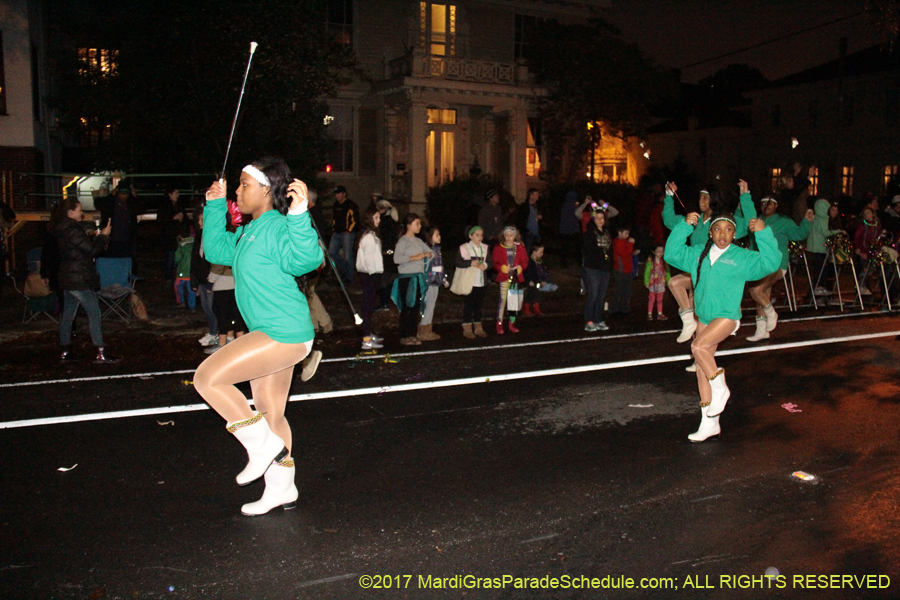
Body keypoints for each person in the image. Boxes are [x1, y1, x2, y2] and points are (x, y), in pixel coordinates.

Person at [194, 157, 323, 516]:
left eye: (244, 186)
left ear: (267, 189)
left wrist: (300, 216)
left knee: (207, 378)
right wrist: (216, 204)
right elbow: (218, 252)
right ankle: (282, 487)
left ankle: (261, 445)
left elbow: (306, 260)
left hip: (284, 333)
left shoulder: (280, 226)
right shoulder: (251, 230)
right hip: (274, 333)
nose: (238, 191)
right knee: (271, 412)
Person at [664, 211, 781, 443]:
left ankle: (720, 389)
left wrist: (764, 233)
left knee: (698, 347)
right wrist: (684, 227)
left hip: (727, 316)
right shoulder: (698, 253)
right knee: (700, 368)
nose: (722, 234)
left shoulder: (742, 257)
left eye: (728, 229)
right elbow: (671, 253)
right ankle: (709, 423)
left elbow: (771, 262)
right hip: (704, 316)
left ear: (734, 233)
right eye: (717, 229)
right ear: (710, 232)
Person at [662, 181, 756, 345]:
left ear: (714, 200)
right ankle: (694, 337)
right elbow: (669, 221)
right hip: (695, 271)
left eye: (706, 198)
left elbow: (750, 223)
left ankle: (701, 354)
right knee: (676, 284)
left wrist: (745, 197)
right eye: (700, 197)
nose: (701, 201)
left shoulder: (723, 222)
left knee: (702, 318)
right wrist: (670, 196)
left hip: (714, 276)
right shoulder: (695, 220)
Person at [51, 198, 119, 364]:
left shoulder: (63, 228)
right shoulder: (72, 229)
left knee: (68, 315)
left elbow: (80, 249)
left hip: (69, 276)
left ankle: (65, 350)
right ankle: (100, 350)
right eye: (79, 210)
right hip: (79, 278)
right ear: (71, 212)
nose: (81, 213)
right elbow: (91, 251)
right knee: (94, 313)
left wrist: (95, 238)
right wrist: (103, 236)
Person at [746, 196, 813, 341]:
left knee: (756, 290)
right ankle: (761, 331)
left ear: (776, 206)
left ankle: (772, 313)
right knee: (762, 296)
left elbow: (799, 234)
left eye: (769, 203)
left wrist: (807, 221)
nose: (766, 205)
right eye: (763, 203)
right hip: (759, 264)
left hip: (777, 264)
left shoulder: (784, 221)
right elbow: (752, 243)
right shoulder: (757, 220)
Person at [392, 213, 431, 346]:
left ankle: (412, 334)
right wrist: (416, 257)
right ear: (409, 226)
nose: (419, 226)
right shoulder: (403, 241)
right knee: (407, 306)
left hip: (418, 277)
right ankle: (404, 334)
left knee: (415, 307)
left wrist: (429, 253)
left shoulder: (419, 241)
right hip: (407, 278)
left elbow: (431, 252)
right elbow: (396, 259)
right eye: (417, 224)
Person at [95, 180, 145, 263]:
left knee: (127, 262)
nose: (124, 196)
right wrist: (110, 195)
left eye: (126, 194)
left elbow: (142, 207)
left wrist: (135, 196)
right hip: (113, 240)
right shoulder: (110, 202)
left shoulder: (130, 203)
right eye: (122, 194)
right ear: (117, 193)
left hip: (127, 240)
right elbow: (98, 203)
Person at [356, 205, 384, 350]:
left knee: (369, 305)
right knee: (367, 307)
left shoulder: (372, 236)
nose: (379, 220)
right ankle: (366, 338)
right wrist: (374, 274)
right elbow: (368, 260)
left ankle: (368, 333)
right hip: (369, 275)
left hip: (372, 274)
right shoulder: (368, 237)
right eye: (376, 218)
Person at [492, 225, 529, 334]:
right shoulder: (499, 247)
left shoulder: (520, 247)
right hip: (504, 277)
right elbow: (495, 262)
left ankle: (512, 323)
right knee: (503, 300)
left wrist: (521, 267)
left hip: (515, 278)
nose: (508, 237)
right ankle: (499, 323)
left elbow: (525, 261)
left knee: (513, 301)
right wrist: (501, 268)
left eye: (511, 235)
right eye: (506, 235)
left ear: (515, 236)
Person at [190, 205, 218, 347]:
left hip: (211, 278)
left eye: (202, 220)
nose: (199, 223)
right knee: (206, 307)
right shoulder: (199, 236)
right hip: (201, 278)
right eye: (199, 220)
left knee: (213, 307)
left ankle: (216, 333)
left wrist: (211, 281)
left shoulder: (213, 237)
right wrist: (194, 282)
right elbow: (195, 259)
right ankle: (212, 331)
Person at [456, 226, 490, 339]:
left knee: (478, 305)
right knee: (468, 305)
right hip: (469, 281)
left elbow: (490, 262)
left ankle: (478, 327)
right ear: (470, 236)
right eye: (477, 235)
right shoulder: (464, 248)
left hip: (480, 281)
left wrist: (485, 265)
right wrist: (470, 262)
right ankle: (467, 327)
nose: (480, 237)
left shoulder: (485, 248)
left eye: (481, 235)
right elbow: (458, 262)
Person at [582, 207, 612, 332]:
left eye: (602, 218)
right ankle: (589, 320)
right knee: (593, 295)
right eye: (597, 218)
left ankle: (598, 319)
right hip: (593, 268)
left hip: (605, 268)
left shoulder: (607, 232)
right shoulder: (589, 233)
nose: (600, 220)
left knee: (601, 295)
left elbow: (611, 250)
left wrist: (610, 264)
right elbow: (588, 251)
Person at [807, 198, 843, 295]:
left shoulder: (816, 218)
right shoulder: (823, 219)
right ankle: (819, 286)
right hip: (821, 247)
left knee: (818, 267)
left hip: (814, 246)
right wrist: (838, 232)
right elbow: (825, 232)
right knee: (821, 267)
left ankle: (817, 287)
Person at [419, 227, 449, 341]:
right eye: (437, 235)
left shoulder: (437, 249)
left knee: (431, 305)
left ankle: (428, 329)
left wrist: (443, 279)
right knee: (427, 305)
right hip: (429, 281)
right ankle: (423, 329)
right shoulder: (425, 249)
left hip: (436, 280)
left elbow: (440, 267)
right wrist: (435, 270)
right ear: (430, 236)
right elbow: (426, 266)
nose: (439, 237)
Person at [328, 185, 358, 284]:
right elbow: (334, 219)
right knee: (331, 253)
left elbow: (355, 220)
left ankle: (350, 278)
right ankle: (345, 271)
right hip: (337, 233)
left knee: (348, 256)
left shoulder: (351, 205)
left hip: (347, 234)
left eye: (338, 193)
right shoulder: (335, 205)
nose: (336, 196)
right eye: (335, 194)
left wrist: (349, 230)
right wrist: (333, 228)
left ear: (344, 194)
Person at [158, 186, 186, 283]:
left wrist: (181, 219)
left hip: (178, 234)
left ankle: (180, 276)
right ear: (170, 195)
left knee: (180, 257)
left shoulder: (179, 205)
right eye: (175, 193)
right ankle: (168, 277)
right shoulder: (164, 206)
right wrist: (173, 218)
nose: (177, 195)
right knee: (170, 257)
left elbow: (184, 218)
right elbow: (161, 220)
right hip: (169, 236)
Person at [375, 198, 400, 310]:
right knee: (387, 278)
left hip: (386, 254)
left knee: (384, 280)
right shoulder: (392, 221)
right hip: (391, 254)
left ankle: (384, 303)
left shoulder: (385, 223)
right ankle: (385, 302)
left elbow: (386, 240)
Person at [610, 225, 638, 316]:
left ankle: (624, 308)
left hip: (627, 270)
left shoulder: (623, 242)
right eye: (626, 233)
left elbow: (628, 254)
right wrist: (631, 244)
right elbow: (624, 254)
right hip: (621, 270)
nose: (627, 235)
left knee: (627, 290)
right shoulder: (618, 242)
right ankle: (614, 308)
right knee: (619, 290)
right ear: (620, 233)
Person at [854, 206, 883, 295]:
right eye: (865, 213)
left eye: (868, 213)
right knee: (866, 267)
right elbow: (857, 237)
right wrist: (859, 248)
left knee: (872, 268)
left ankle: (863, 284)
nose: (867, 215)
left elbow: (879, 237)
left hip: (874, 250)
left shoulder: (877, 225)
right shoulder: (862, 225)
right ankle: (860, 284)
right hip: (864, 249)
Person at [523, 242, 557, 315]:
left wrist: (543, 280)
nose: (542, 254)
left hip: (538, 281)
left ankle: (536, 308)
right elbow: (527, 272)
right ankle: (526, 308)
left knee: (537, 294)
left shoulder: (539, 262)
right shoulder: (529, 262)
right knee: (531, 294)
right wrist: (529, 280)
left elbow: (543, 272)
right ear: (534, 252)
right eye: (540, 252)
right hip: (532, 281)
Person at [644, 244, 670, 320]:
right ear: (654, 252)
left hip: (661, 283)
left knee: (660, 299)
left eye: (662, 251)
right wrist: (646, 281)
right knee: (651, 299)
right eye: (658, 251)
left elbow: (667, 271)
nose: (660, 253)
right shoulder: (650, 261)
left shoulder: (664, 261)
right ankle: (649, 313)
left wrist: (669, 281)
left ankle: (660, 313)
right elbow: (647, 272)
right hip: (653, 283)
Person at [173, 222, 195, 309]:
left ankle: (181, 302)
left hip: (183, 271)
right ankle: (192, 306)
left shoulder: (181, 245)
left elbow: (177, 258)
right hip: (192, 272)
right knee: (191, 289)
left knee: (177, 286)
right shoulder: (194, 242)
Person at [558, 191, 582, 268]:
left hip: (565, 229)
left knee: (565, 247)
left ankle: (563, 263)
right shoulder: (572, 206)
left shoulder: (565, 205)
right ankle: (579, 262)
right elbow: (577, 215)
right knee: (577, 246)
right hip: (572, 229)